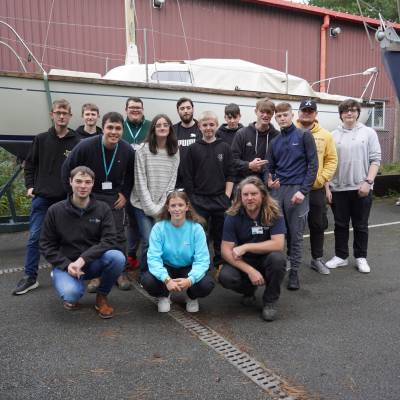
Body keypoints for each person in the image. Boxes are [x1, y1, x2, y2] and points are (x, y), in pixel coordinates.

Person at [12, 99, 80, 295]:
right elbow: (30, 164)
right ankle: (29, 276)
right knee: (35, 237)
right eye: (58, 112)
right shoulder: (41, 139)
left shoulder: (76, 142)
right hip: (42, 198)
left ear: (70, 116)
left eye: (65, 113)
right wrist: (30, 186)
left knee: (66, 239)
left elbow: (81, 169)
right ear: (52, 115)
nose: (61, 116)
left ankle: (63, 270)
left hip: (66, 200)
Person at [62, 112, 135, 291]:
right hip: (90, 198)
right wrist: (74, 197)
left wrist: (125, 194)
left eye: (118, 128)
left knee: (118, 236)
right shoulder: (86, 146)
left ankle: (120, 272)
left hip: (114, 199)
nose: (114, 132)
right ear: (103, 128)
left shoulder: (126, 149)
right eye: (110, 127)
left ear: (122, 130)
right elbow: (67, 169)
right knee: (93, 237)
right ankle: (96, 275)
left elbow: (132, 175)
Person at [40, 166, 125, 318]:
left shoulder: (102, 209)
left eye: (87, 182)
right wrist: (67, 265)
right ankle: (68, 286)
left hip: (93, 262)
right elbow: (46, 245)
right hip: (67, 264)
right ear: (70, 182)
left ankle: (102, 296)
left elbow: (110, 239)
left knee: (117, 257)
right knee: (71, 294)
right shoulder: (55, 210)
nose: (83, 186)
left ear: (93, 184)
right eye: (78, 181)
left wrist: (82, 260)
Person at [219, 176, 286, 322]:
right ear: (240, 196)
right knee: (226, 277)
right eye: (245, 195)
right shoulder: (232, 215)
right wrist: (250, 271)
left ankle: (270, 301)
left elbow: (278, 244)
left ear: (262, 194)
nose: (249, 198)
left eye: (254, 194)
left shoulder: (274, 212)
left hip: (266, 259)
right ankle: (249, 290)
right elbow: (225, 250)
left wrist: (246, 246)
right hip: (243, 261)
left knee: (278, 260)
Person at [266, 102, 318, 290]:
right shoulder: (275, 141)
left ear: (292, 115)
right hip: (278, 192)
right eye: (278, 116)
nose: (282, 118)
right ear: (276, 118)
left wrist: (303, 191)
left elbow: (313, 166)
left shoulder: (304, 136)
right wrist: (269, 181)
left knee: (296, 235)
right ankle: (279, 269)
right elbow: (269, 168)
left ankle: (294, 272)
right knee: (277, 234)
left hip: (297, 191)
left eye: (285, 115)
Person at [325, 99, 381, 273]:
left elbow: (375, 159)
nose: (349, 113)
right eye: (345, 111)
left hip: (361, 188)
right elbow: (327, 162)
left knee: (361, 225)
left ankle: (361, 257)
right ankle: (341, 257)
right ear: (341, 114)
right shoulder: (332, 135)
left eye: (353, 110)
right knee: (340, 225)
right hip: (338, 188)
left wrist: (368, 182)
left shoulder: (369, 133)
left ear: (358, 112)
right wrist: (327, 187)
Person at [141, 190, 215, 313]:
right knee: (147, 280)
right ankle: (164, 295)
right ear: (168, 208)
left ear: (187, 207)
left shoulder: (196, 229)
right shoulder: (158, 228)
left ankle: (191, 297)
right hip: (167, 267)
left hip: (188, 267)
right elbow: (153, 259)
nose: (177, 209)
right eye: (173, 205)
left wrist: (190, 280)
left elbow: (202, 260)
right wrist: (166, 279)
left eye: (180, 205)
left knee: (206, 284)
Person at [130, 114, 180, 273]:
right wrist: (151, 207)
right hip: (141, 204)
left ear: (170, 128)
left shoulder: (174, 151)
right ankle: (144, 274)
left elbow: (172, 181)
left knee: (159, 241)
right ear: (153, 129)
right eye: (158, 125)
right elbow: (140, 180)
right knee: (148, 240)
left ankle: (155, 273)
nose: (162, 128)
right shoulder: (142, 150)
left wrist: (162, 205)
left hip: (163, 205)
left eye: (166, 125)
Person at [183, 111, 234, 268]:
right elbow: (187, 176)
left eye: (211, 124)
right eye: (205, 125)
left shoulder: (225, 148)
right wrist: (192, 199)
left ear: (217, 126)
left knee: (220, 235)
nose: (208, 128)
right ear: (199, 127)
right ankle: (200, 265)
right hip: (199, 201)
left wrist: (227, 196)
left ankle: (220, 264)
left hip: (220, 199)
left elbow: (231, 174)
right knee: (200, 236)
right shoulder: (192, 149)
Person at [297, 99, 337, 275]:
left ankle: (317, 259)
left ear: (315, 114)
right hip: (295, 189)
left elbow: (332, 160)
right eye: (304, 110)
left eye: (310, 111)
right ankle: (292, 259)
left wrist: (321, 179)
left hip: (316, 189)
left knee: (317, 224)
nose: (307, 113)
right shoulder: (290, 132)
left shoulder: (326, 135)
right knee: (293, 226)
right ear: (298, 112)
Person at [122, 97, 151, 271]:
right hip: (125, 185)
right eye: (131, 107)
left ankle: (145, 268)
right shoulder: (120, 127)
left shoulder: (150, 126)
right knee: (130, 223)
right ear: (126, 109)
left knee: (145, 225)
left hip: (144, 185)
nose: (135, 110)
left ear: (142, 109)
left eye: (138, 107)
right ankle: (131, 255)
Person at [231, 98, 279, 182]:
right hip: (244, 183)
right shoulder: (242, 134)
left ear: (272, 114)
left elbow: (279, 162)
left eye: (268, 112)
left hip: (267, 185)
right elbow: (232, 160)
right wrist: (249, 165)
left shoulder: (277, 136)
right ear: (256, 111)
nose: (265, 115)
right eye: (262, 112)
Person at [173, 97, 201, 188]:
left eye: (188, 108)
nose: (186, 111)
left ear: (193, 109)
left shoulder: (201, 129)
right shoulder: (172, 130)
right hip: (178, 182)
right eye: (182, 108)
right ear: (178, 111)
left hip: (198, 180)